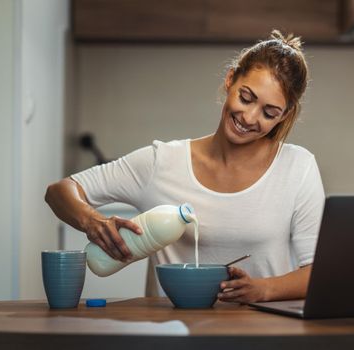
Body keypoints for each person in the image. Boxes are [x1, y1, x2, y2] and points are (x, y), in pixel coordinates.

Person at [45, 30, 325, 304]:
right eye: (246, 97)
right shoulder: (162, 162)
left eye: (269, 112)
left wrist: (261, 289)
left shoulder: (297, 168)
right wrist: (93, 222)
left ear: (284, 115)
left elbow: (318, 273)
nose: (249, 117)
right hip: (169, 335)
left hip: (261, 336)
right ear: (230, 80)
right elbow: (60, 191)